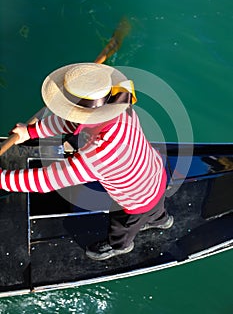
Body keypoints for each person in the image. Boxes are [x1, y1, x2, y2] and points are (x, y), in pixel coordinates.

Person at [0, 62, 173, 260]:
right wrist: (29, 132)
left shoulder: (99, 155)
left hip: (136, 199)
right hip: (156, 172)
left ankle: (120, 246)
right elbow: (69, 121)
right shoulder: (120, 105)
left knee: (122, 227)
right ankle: (162, 220)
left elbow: (45, 181)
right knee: (156, 205)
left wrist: (2, 179)